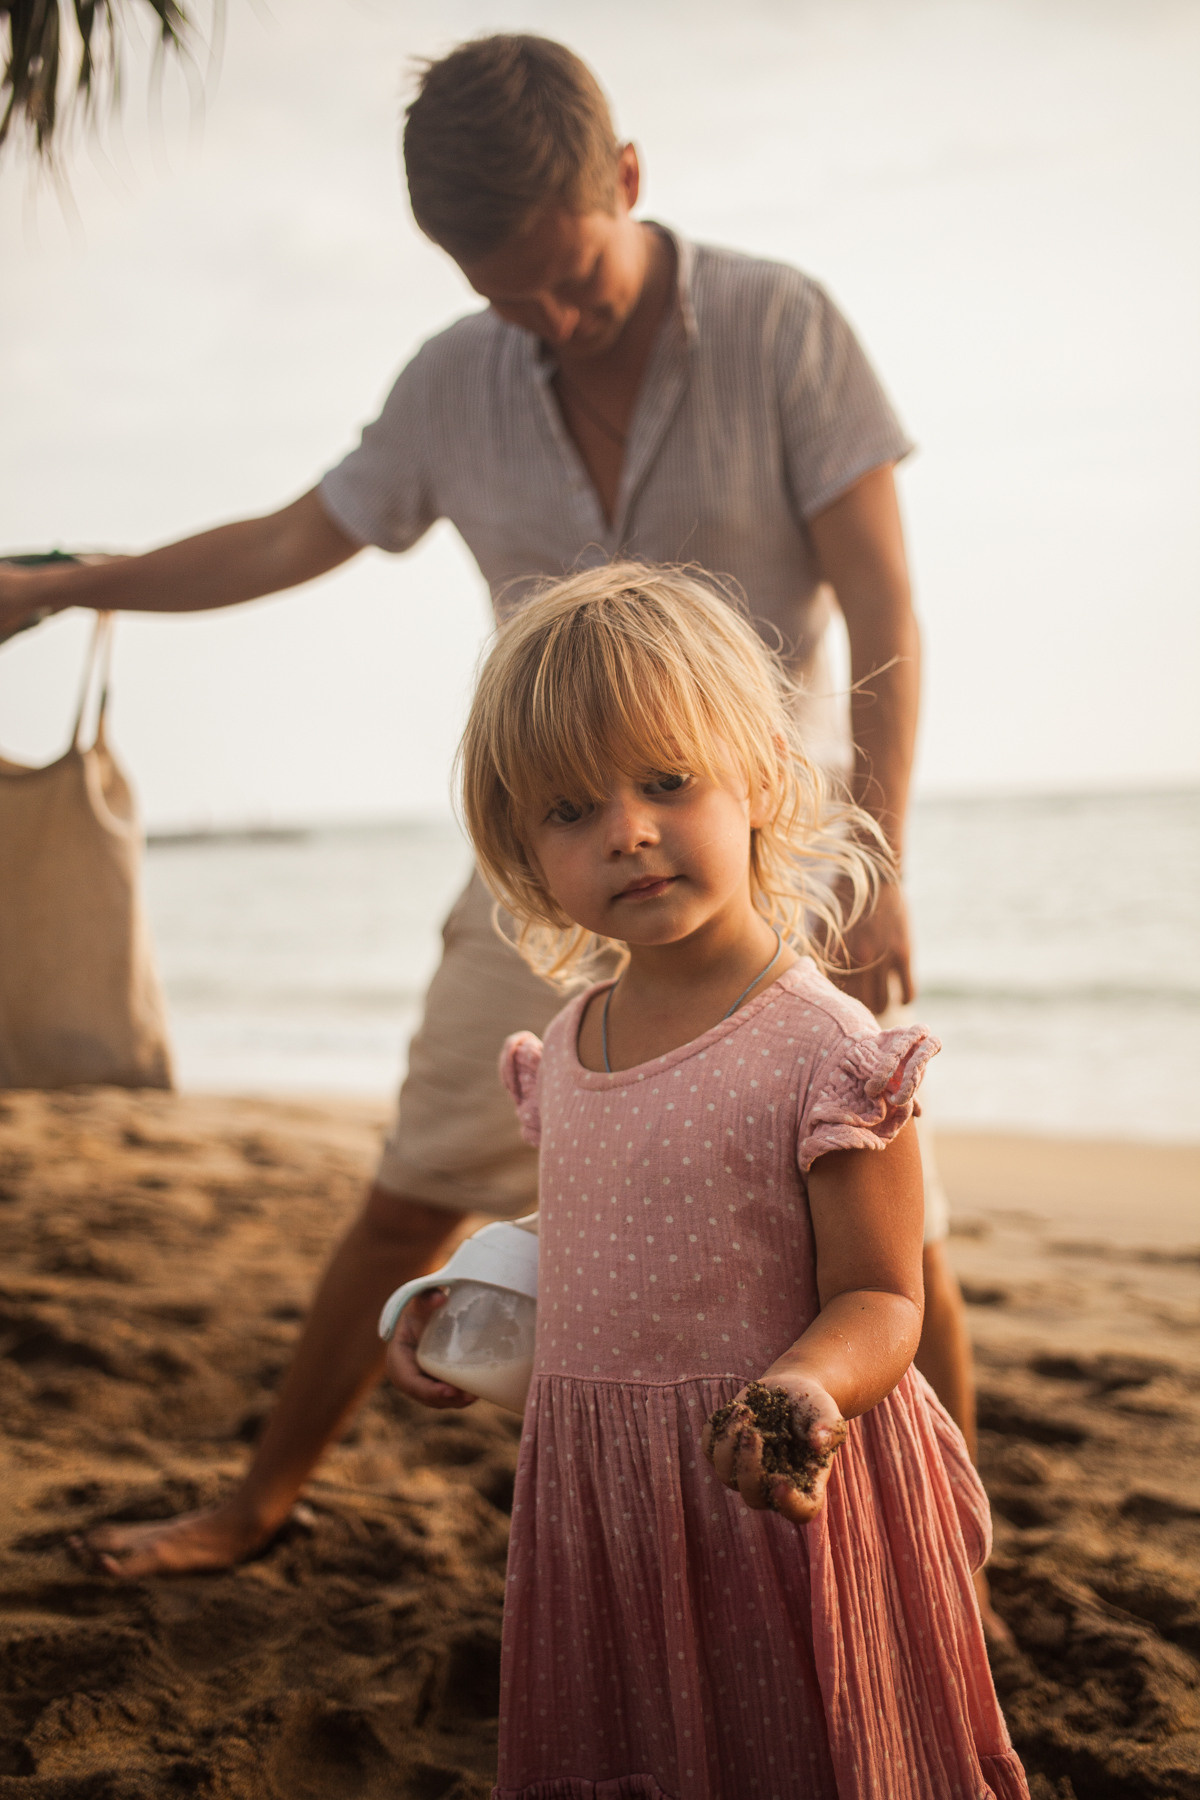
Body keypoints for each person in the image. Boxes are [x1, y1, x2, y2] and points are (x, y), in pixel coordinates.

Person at [0, 33, 982, 1611]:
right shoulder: (452, 380)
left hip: (772, 867)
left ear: (629, 182)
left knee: (882, 1230)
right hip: (544, 862)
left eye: (567, 276)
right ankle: (259, 1496)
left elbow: (884, 605)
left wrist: (888, 868)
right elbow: (285, 538)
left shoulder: (785, 325)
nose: (545, 318)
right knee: (411, 1186)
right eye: (499, 288)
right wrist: (61, 587)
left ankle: (945, 1554)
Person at [387, 562, 1027, 1798]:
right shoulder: (568, 1046)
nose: (625, 828)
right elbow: (594, 1221)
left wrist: (802, 1388)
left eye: (666, 783)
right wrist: (462, 1292)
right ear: (523, 854)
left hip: (773, 1480)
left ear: (762, 781)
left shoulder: (828, 1051)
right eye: (570, 811)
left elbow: (885, 1298)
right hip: (609, 1495)